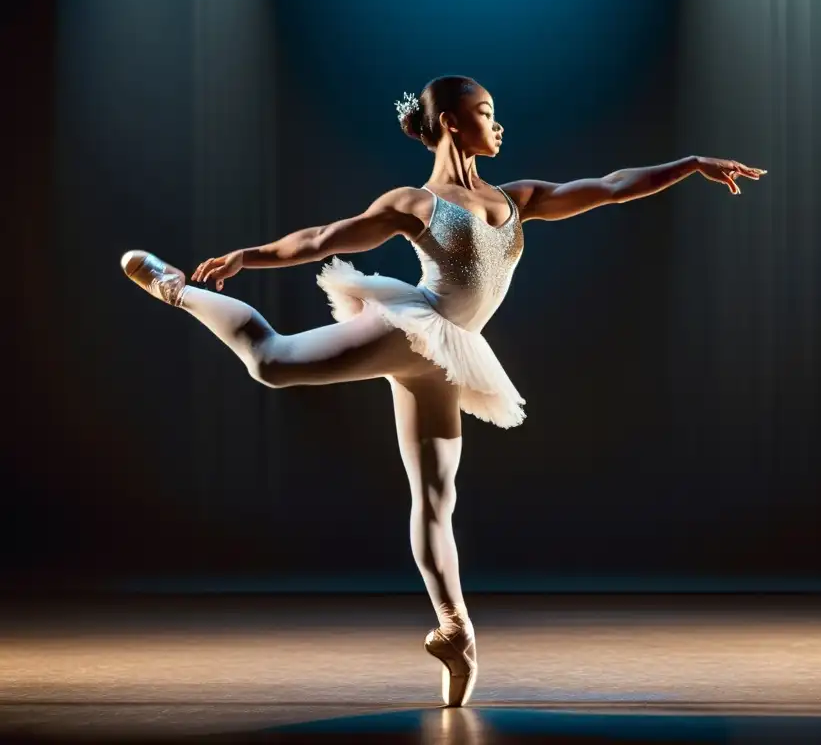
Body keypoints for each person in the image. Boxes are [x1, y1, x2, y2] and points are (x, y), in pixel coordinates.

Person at [120, 75, 765, 707]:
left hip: (450, 357)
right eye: (487, 111)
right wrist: (247, 256)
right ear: (453, 122)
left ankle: (456, 630)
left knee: (435, 497)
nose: (499, 122)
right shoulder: (415, 204)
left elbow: (613, 188)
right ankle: (177, 287)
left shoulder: (520, 199)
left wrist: (691, 163)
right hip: (415, 327)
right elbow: (321, 240)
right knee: (272, 360)